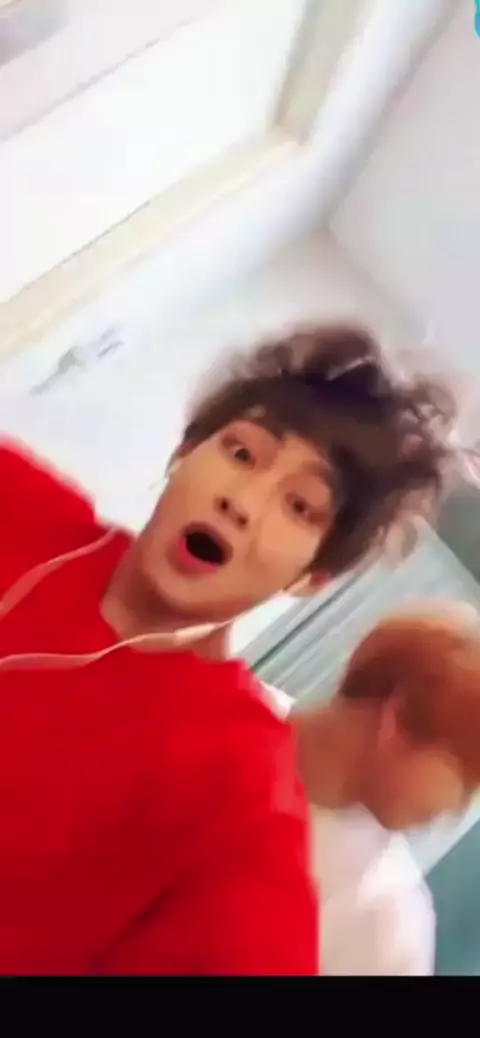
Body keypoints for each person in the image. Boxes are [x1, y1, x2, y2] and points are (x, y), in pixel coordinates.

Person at [0, 324, 452, 974]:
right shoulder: (21, 504)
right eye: (241, 453)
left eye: (299, 506)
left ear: (311, 577)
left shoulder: (238, 789)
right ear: (186, 451)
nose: (242, 502)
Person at [266, 602, 480, 975]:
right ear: (401, 714)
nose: (455, 809)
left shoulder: (387, 918)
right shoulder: (208, 706)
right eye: (465, 777)